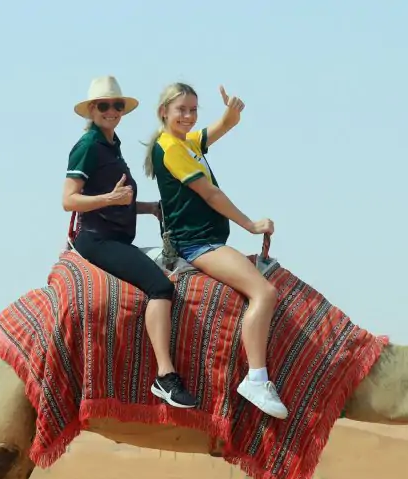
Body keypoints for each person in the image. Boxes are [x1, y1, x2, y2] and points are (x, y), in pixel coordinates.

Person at [142, 82, 288, 420]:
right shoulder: (172, 148)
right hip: (198, 243)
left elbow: (220, 129)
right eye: (182, 110)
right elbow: (210, 194)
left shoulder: (186, 142)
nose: (189, 116)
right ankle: (256, 379)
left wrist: (231, 115)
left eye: (193, 110)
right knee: (264, 293)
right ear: (164, 111)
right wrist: (250, 225)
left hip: (208, 239)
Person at [62, 75, 197, 409]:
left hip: (117, 238)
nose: (111, 111)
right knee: (160, 287)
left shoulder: (112, 144)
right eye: (104, 106)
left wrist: (148, 207)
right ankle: (165, 376)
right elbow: (69, 200)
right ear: (92, 110)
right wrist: (110, 198)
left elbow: (116, 199)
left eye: (116, 105)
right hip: (97, 241)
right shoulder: (87, 146)